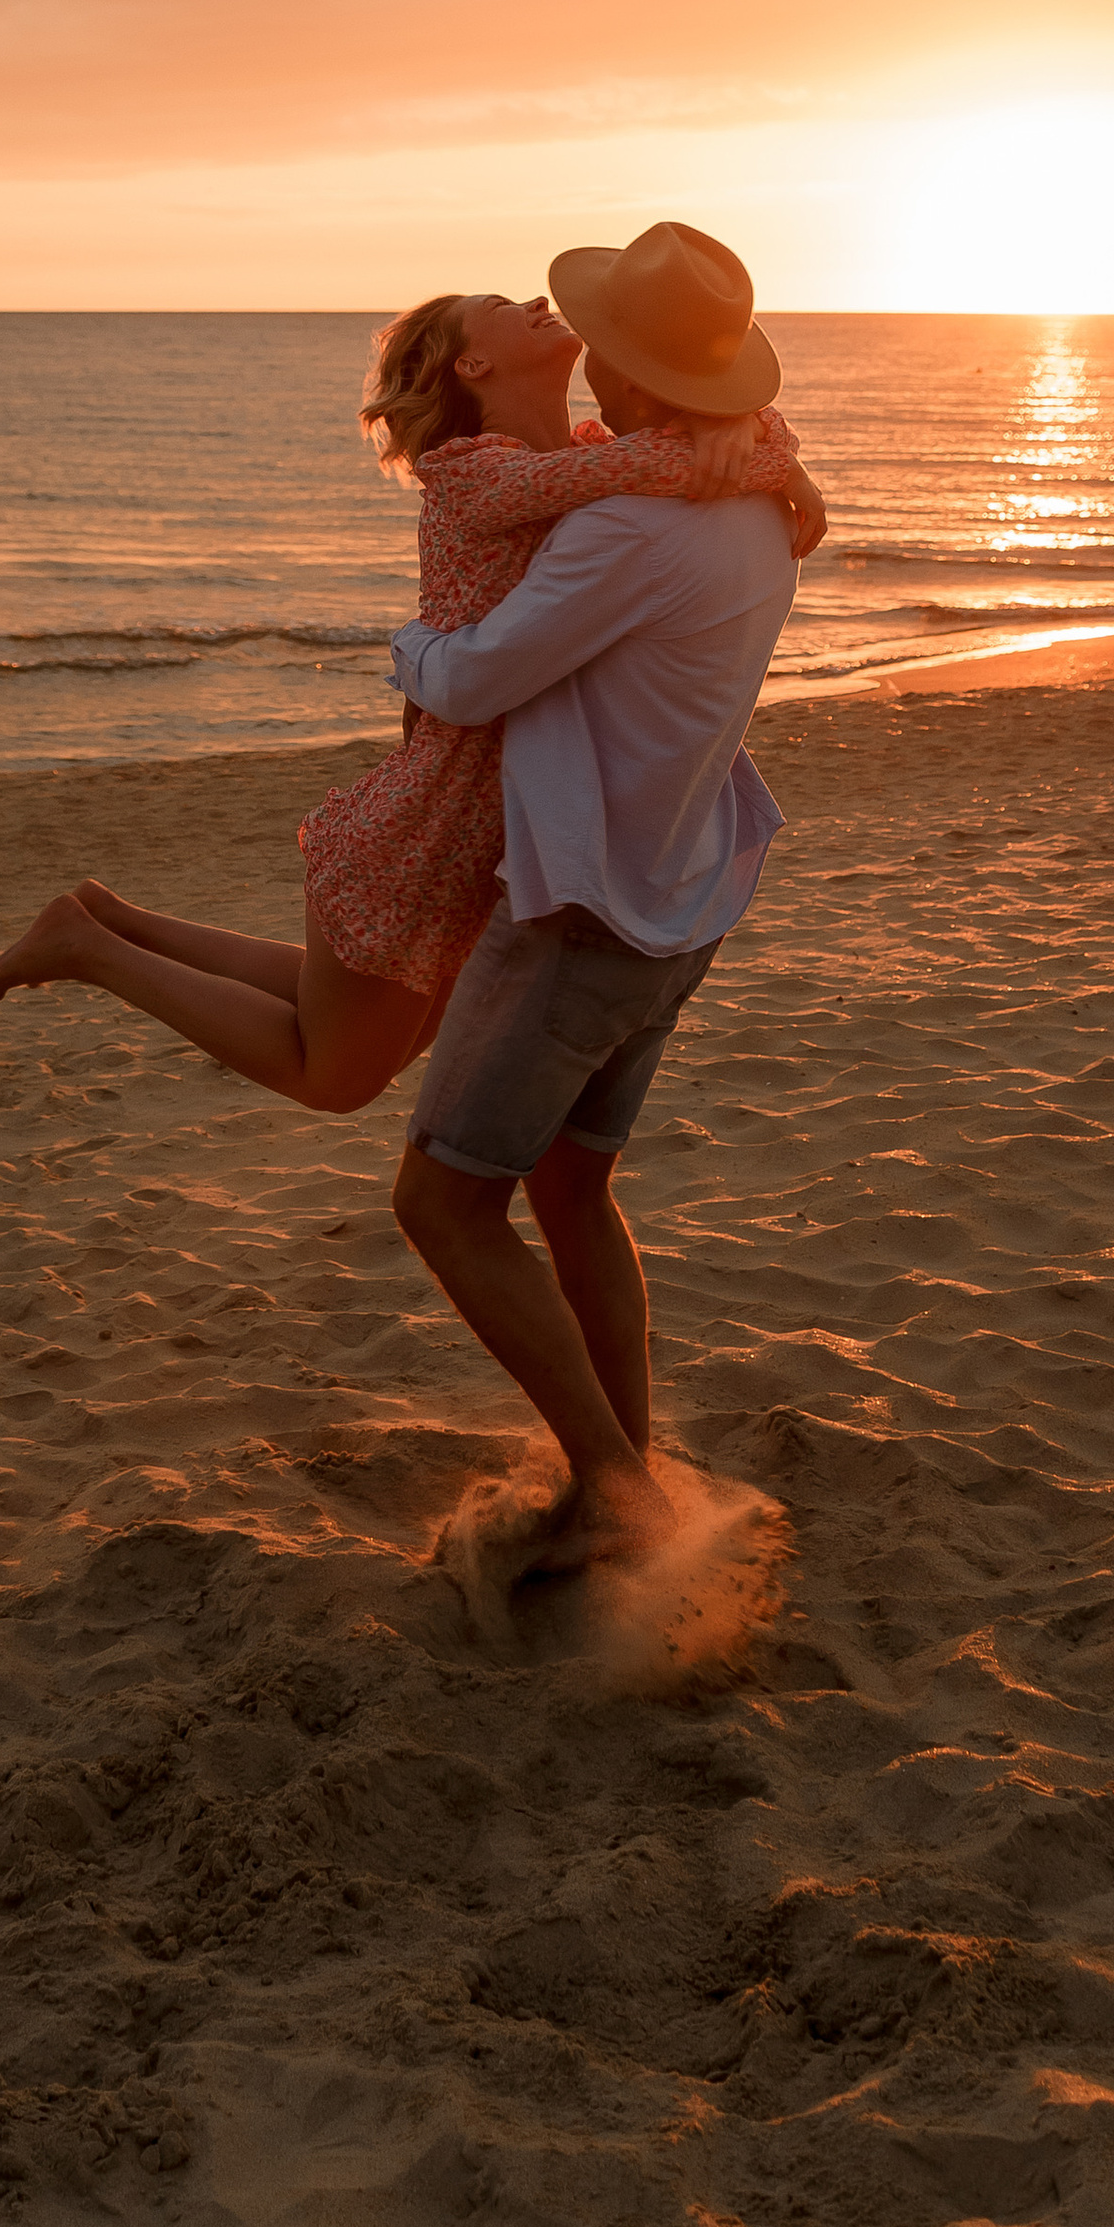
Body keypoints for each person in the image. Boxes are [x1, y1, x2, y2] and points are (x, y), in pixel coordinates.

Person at [0, 281, 826, 1116]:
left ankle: (114, 919)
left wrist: (749, 430)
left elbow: (661, 455)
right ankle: (89, 949)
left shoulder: (580, 460)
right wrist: (761, 447)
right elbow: (667, 460)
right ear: (473, 367)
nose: (536, 301)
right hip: (433, 825)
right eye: (500, 308)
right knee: (334, 1078)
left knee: (338, 1010)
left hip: (488, 833)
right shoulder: (475, 471)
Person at [383, 223, 805, 1571]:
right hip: (682, 894)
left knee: (442, 1204)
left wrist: (409, 637)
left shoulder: (627, 526)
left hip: (585, 917)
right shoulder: (758, 502)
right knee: (573, 1194)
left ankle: (619, 1488)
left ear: (623, 370)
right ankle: (624, 1475)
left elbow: (471, 680)